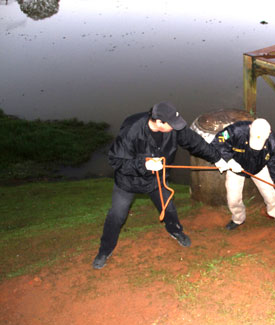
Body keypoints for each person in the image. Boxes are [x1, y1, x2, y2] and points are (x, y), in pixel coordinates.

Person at [92, 102, 229, 269]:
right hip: (128, 182)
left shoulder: (173, 128)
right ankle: (104, 251)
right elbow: (115, 161)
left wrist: (218, 159)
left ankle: (175, 231)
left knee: (169, 207)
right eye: (172, 124)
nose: (176, 128)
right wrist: (144, 165)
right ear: (158, 122)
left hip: (157, 180)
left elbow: (196, 143)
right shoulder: (132, 130)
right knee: (117, 216)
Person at [211, 118, 275, 235]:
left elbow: (274, 164)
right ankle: (238, 219)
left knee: (270, 196)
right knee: (233, 198)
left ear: (269, 133)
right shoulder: (235, 130)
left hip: (259, 168)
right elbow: (217, 143)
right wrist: (229, 161)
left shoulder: (274, 143)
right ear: (250, 128)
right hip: (236, 167)